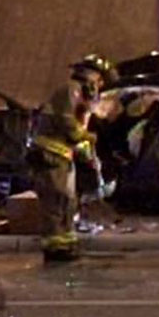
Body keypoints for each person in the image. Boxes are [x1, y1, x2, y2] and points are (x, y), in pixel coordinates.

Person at [31, 54, 114, 260]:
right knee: (56, 199)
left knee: (67, 199)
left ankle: (65, 243)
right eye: (100, 79)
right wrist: (85, 137)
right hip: (50, 154)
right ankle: (55, 246)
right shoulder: (71, 91)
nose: (100, 85)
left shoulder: (79, 96)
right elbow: (68, 124)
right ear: (91, 76)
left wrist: (85, 148)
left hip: (62, 155)